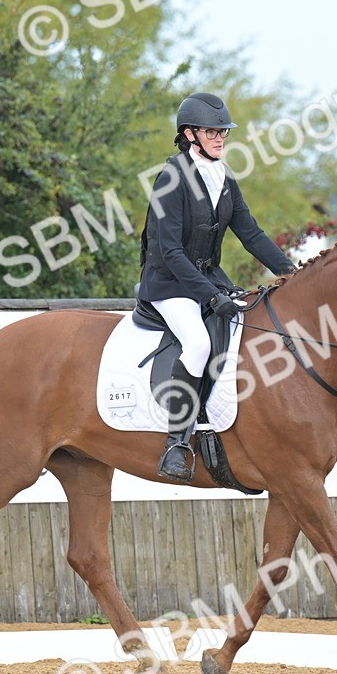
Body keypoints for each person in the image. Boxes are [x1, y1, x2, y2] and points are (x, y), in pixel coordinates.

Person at [137, 92, 295, 483]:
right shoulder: (170, 180)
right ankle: (177, 441)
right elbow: (169, 251)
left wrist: (292, 271)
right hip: (169, 284)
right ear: (189, 134)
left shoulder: (223, 176)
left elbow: (251, 233)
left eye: (223, 131)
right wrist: (210, 297)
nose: (220, 137)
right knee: (199, 344)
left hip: (209, 279)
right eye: (212, 131)